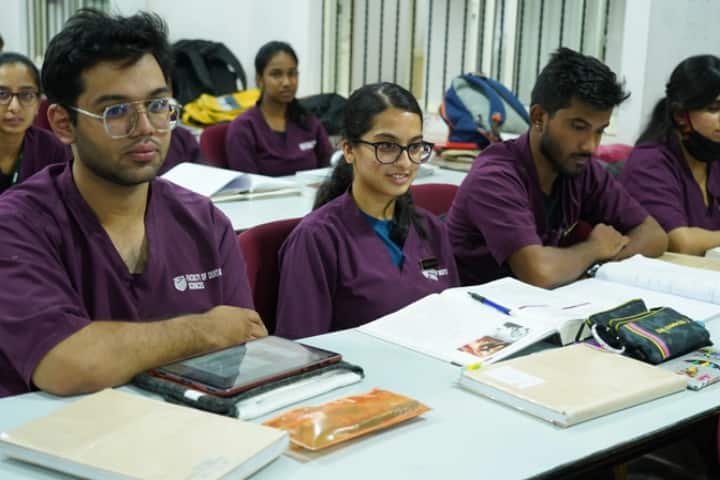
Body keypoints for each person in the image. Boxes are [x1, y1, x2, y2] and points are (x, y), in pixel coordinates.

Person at [0, 9, 266, 398]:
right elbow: (68, 364)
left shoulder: (205, 222)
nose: (145, 128)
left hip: (192, 426)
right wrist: (206, 330)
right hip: (58, 431)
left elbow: (244, 344)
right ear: (62, 123)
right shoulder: (17, 225)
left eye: (158, 105)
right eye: (117, 111)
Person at [446, 47, 667, 288]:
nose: (591, 146)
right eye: (578, 127)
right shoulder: (495, 176)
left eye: (600, 131)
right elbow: (539, 272)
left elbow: (653, 235)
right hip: (473, 304)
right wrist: (594, 249)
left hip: (541, 303)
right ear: (539, 117)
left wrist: (594, 264)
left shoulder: (580, 168)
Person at [275, 82, 459, 339]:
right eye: (387, 146)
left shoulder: (431, 229)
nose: (405, 162)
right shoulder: (317, 239)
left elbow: (455, 323)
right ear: (349, 150)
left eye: (415, 146)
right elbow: (301, 349)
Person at [621, 55, 720, 256]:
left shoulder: (714, 156)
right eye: (714, 109)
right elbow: (680, 242)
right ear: (680, 115)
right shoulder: (649, 163)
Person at [225, 41, 333, 176]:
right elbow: (247, 184)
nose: (287, 82)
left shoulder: (308, 122)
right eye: (276, 74)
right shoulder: (244, 128)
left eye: (292, 74)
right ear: (259, 79)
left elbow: (330, 172)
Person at [0, 52, 71, 193]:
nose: (15, 107)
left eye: (26, 95)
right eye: (2, 94)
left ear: (38, 103)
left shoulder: (52, 149)